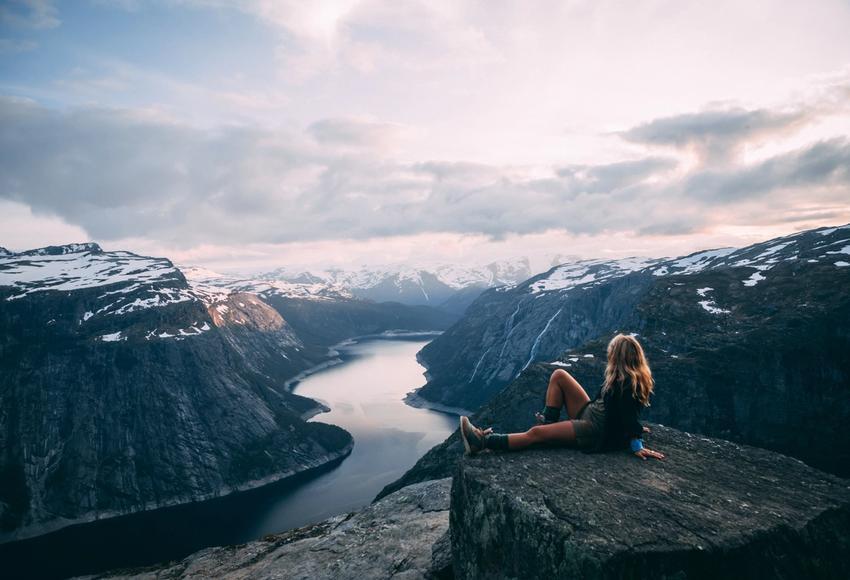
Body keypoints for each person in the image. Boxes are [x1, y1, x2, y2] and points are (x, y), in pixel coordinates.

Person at [459, 333, 665, 461]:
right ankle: (551, 423)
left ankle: (482, 442)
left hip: (595, 429)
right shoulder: (623, 377)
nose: (608, 355)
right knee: (559, 375)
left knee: (535, 433)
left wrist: (635, 439)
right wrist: (632, 426)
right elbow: (627, 413)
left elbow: (628, 414)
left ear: (618, 357)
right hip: (591, 413)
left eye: (611, 353)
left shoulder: (626, 384)